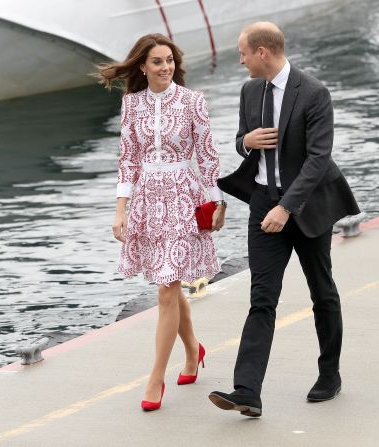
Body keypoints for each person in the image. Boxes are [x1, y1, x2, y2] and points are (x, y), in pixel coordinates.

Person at [210, 22, 360, 417]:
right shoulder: (249, 91)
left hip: (306, 207)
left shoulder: (313, 93)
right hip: (262, 203)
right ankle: (247, 391)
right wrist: (245, 142)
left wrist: (286, 207)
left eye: (243, 53)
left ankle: (330, 374)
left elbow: (318, 159)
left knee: (322, 292)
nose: (239, 60)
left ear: (262, 52)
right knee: (262, 298)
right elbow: (242, 138)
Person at [97, 33, 227, 411]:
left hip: (184, 198)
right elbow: (128, 161)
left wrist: (216, 203)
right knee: (169, 283)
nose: (165, 67)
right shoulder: (132, 105)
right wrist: (121, 210)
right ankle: (192, 349)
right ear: (142, 66)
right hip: (148, 201)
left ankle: (155, 378)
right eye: (157, 61)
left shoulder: (192, 101)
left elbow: (207, 156)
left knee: (168, 288)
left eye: (169, 60)